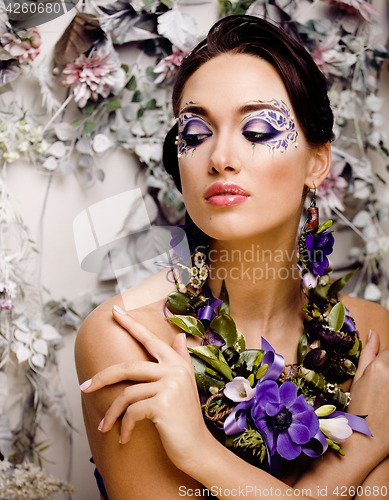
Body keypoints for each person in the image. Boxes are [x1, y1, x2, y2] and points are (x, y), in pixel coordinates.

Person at [75, 15, 389, 500]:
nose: (220, 156)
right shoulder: (129, 345)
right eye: (196, 132)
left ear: (317, 161)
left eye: (258, 129)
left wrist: (202, 456)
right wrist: (363, 451)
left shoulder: (378, 343)